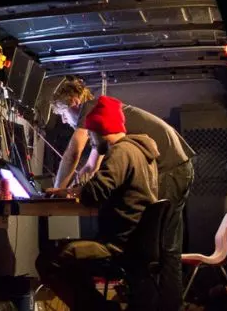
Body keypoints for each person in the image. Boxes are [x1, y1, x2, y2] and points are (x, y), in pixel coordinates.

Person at [49, 75, 196, 310]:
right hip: (177, 162)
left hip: (172, 166)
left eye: (64, 116)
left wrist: (56, 190)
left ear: (75, 102)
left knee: (163, 247)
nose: (66, 123)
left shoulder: (93, 110)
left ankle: (168, 305)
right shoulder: (105, 121)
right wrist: (73, 186)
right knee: (164, 247)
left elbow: (73, 153)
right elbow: (91, 165)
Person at [36, 96, 160, 311]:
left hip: (117, 246)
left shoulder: (121, 152)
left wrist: (67, 191)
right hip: (134, 242)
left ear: (101, 129)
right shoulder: (139, 151)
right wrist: (72, 190)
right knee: (69, 256)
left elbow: (94, 193)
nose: (91, 141)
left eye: (92, 134)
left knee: (50, 261)